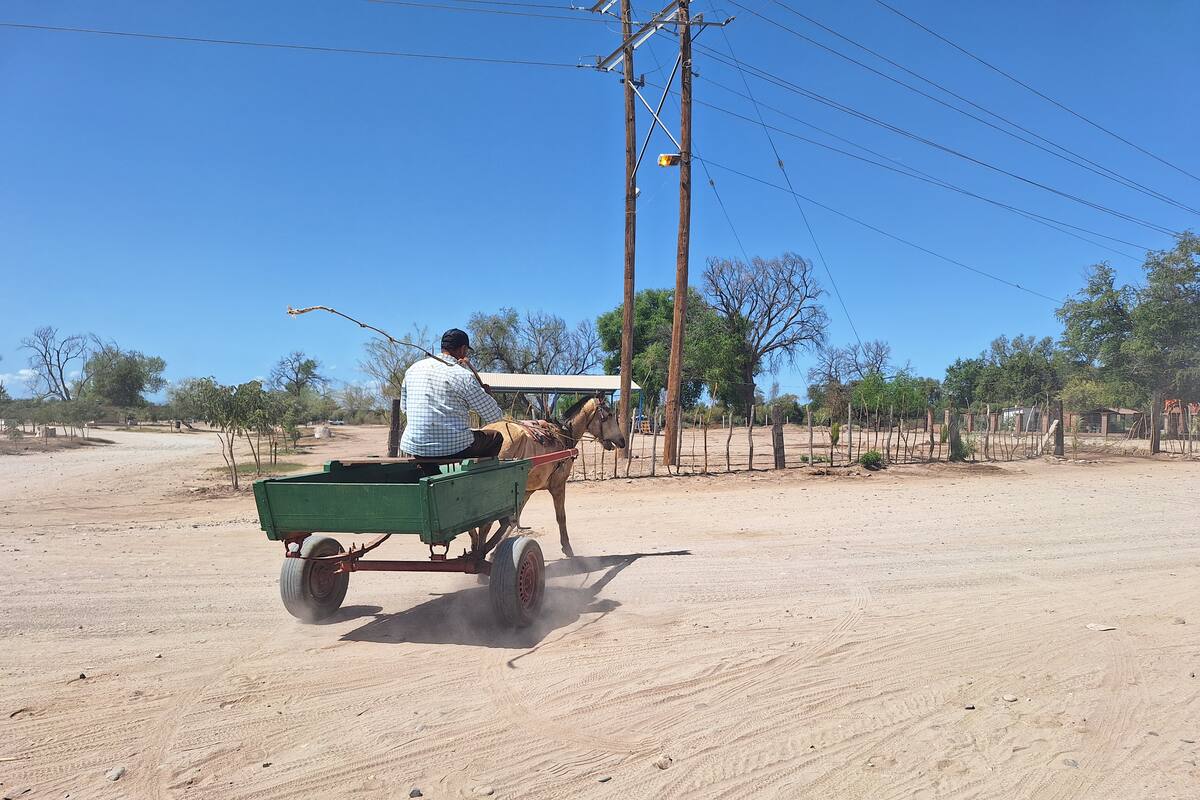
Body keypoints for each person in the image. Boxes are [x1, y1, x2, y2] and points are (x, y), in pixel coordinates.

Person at [399, 328, 504, 468]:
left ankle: (429, 470)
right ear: (463, 349)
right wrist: (488, 395)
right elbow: (494, 417)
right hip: (452, 449)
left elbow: (404, 409)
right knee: (496, 437)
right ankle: (479, 476)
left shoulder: (413, 369)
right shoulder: (462, 375)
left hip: (415, 447)